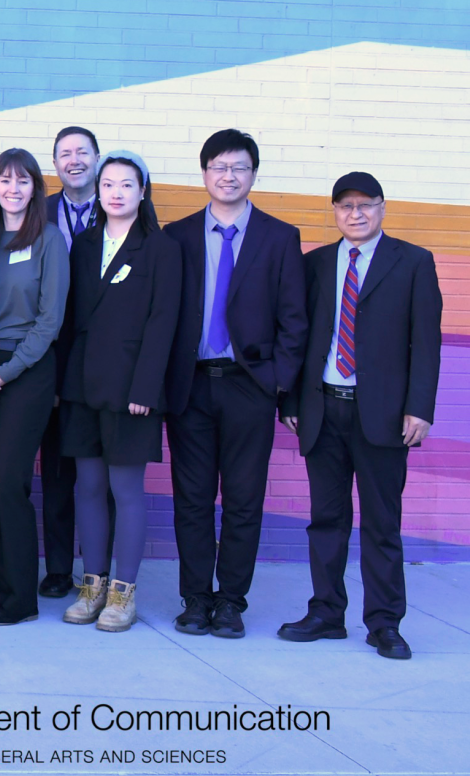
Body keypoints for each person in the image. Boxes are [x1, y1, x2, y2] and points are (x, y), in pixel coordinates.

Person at [277, 173, 441, 660]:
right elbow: (299, 337)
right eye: (346, 206)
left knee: (382, 524)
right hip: (322, 409)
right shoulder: (315, 264)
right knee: (326, 520)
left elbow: (426, 343)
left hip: (384, 416)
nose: (356, 214)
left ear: (382, 208)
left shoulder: (413, 262)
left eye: (365, 204)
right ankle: (327, 613)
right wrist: (291, 402)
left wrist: (420, 408)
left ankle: (384, 623)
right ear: (334, 212)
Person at [161, 129, 307, 640]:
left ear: (253, 174)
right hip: (191, 386)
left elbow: (294, 319)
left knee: (244, 500)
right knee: (192, 499)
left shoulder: (279, 236)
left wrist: (277, 383)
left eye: (239, 167)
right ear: (204, 173)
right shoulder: (177, 236)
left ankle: (230, 602)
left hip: (250, 386)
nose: (229, 175)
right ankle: (196, 599)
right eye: (219, 166)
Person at [56, 153, 180, 632]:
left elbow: (163, 323)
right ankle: (92, 587)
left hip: (131, 390)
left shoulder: (161, 248)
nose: (116, 192)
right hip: (82, 386)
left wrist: (146, 387)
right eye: (107, 184)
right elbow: (70, 318)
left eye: (127, 184)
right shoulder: (85, 244)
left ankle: (123, 594)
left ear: (143, 191)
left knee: (124, 490)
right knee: (88, 487)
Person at [0, 148, 67, 626]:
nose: (13, 189)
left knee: (9, 483)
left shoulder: (48, 239)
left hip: (27, 369)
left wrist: (7, 371)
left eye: (23, 181)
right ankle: (0, 590)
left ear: (35, 189)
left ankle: (22, 597)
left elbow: (50, 320)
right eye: (5, 180)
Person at [35, 126, 100, 598]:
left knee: (103, 477)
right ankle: (59, 569)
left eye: (82, 152)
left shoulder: (123, 208)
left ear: (97, 158)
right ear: (55, 163)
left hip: (104, 361)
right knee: (57, 473)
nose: (74, 160)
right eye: (64, 154)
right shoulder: (37, 212)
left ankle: (102, 570)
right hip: (50, 359)